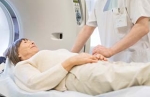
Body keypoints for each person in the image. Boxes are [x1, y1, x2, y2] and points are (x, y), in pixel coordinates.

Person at [4, 38, 150, 96]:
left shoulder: (48, 53)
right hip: (74, 75)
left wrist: (94, 58)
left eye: (29, 40)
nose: (30, 41)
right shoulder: (22, 65)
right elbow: (35, 83)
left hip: (87, 66)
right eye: (24, 42)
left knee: (128, 69)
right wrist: (71, 61)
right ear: (18, 54)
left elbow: (75, 58)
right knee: (131, 73)